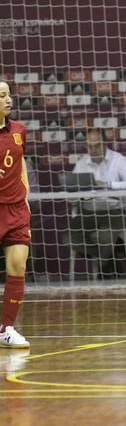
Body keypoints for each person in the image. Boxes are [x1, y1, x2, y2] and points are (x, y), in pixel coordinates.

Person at [65, 128, 126, 278]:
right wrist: (75, 194)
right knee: (68, 237)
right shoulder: (82, 164)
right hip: (88, 211)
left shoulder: (119, 160)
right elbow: (71, 196)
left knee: (105, 236)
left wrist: (108, 185)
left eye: (97, 145)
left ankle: (105, 262)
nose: (93, 149)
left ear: (105, 144)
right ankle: (108, 260)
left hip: (114, 210)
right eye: (89, 146)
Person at [0, 81, 31, 348]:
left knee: (18, 266)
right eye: (2, 96)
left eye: (8, 94)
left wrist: (26, 191)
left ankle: (6, 328)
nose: (8, 99)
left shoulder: (19, 130)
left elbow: (20, 161)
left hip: (17, 208)